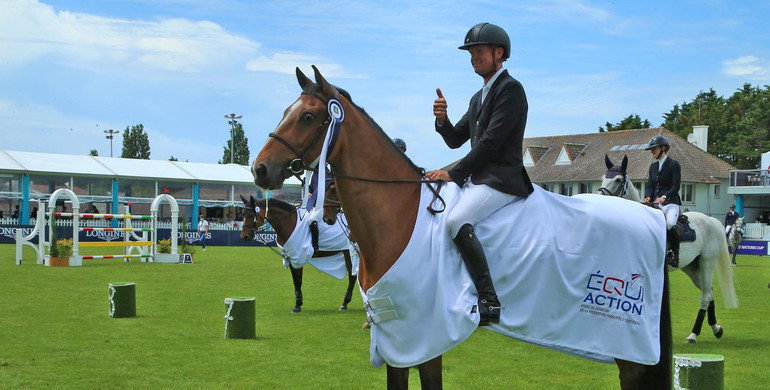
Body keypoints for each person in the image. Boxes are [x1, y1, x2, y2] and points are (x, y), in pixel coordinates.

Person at [427, 22, 533, 326]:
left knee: (457, 220)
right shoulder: (478, 97)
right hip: (478, 180)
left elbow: (491, 143)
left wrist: (453, 173)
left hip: (502, 180)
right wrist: (442, 119)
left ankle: (489, 299)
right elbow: (454, 139)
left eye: (479, 51)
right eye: (471, 52)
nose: (474, 56)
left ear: (499, 53)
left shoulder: (511, 90)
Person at [642, 135, 682, 267]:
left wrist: (664, 196)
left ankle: (675, 255)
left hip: (671, 202)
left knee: (670, 224)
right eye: (651, 149)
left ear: (663, 148)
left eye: (654, 149)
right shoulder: (653, 167)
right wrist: (648, 196)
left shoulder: (674, 164)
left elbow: (676, 186)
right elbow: (650, 185)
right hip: (655, 203)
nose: (652, 151)